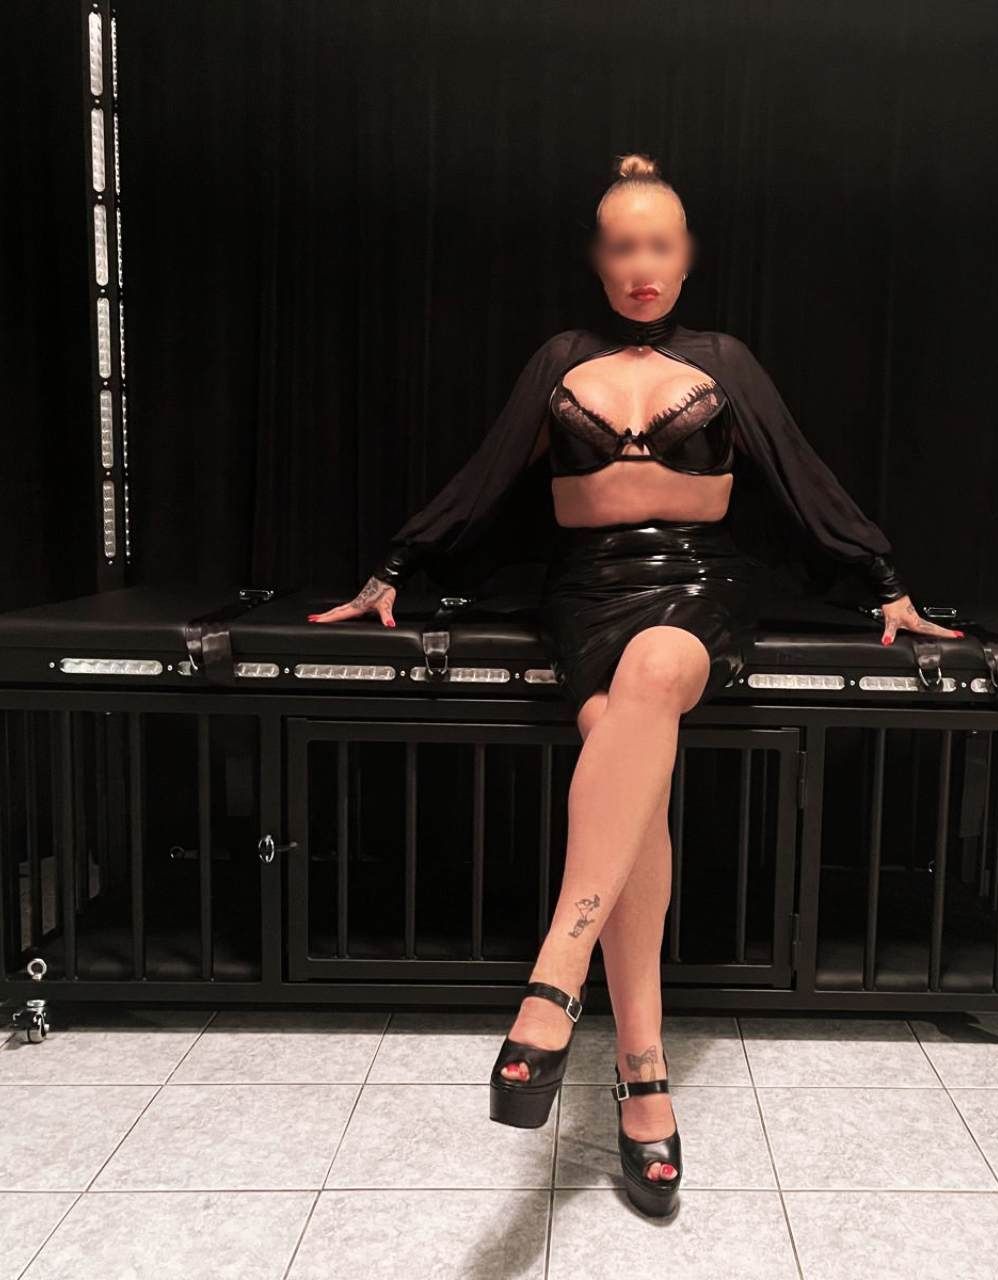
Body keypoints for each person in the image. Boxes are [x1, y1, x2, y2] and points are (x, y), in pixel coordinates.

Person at [308, 152, 962, 1217]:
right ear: (599, 260)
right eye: (622, 246)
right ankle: (642, 1075)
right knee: (627, 752)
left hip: (698, 587)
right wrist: (394, 566)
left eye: (659, 244)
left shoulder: (724, 360)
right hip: (586, 592)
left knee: (654, 671)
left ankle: (555, 980)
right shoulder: (559, 360)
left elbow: (799, 473)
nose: (641, 265)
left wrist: (881, 580)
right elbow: (485, 477)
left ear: (686, 256)